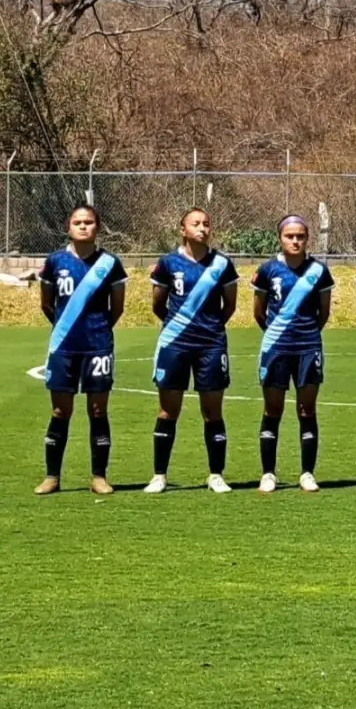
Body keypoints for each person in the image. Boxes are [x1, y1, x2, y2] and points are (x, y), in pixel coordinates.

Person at [34, 205, 128, 495]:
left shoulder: (110, 264)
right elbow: (47, 304)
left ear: (98, 227)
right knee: (61, 410)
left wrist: (96, 329)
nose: (83, 226)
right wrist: (66, 329)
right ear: (68, 227)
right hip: (63, 347)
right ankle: (52, 477)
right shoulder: (55, 262)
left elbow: (118, 308)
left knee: (98, 410)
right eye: (78, 222)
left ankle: (99, 476)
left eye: (89, 222)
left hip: (98, 346)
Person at [146, 207, 239, 494]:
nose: (202, 228)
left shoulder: (222, 265)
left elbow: (230, 306)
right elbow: (158, 305)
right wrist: (179, 327)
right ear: (182, 229)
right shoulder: (167, 263)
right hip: (174, 344)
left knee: (212, 411)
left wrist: (209, 328)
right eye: (195, 223)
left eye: (207, 224)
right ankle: (160, 475)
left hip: (211, 345)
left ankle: (215, 474)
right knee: (167, 410)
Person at [252, 215, 334, 494]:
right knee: (272, 409)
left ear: (307, 238)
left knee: (306, 409)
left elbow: (324, 312)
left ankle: (307, 473)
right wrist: (277, 334)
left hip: (308, 348)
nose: (295, 241)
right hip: (275, 348)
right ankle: (268, 474)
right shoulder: (267, 270)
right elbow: (258, 312)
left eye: (300, 236)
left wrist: (306, 335)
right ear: (280, 238)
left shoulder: (319, 271)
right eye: (290, 236)